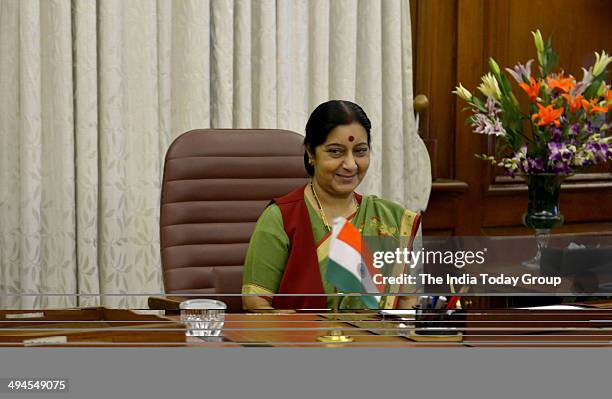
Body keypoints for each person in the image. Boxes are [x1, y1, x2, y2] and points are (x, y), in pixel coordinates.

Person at [241, 100, 422, 311]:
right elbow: (255, 303)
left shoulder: (389, 219)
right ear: (311, 152)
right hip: (303, 342)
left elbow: (407, 301)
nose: (350, 164)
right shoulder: (281, 218)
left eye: (360, 151)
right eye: (336, 152)